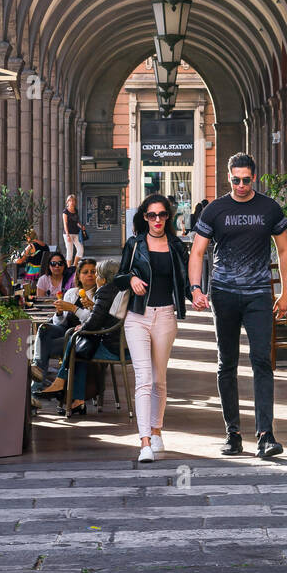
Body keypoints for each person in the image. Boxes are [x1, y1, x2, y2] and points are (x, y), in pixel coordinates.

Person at [188, 153, 287, 459]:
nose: (242, 185)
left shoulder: (269, 207)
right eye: (236, 180)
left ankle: (266, 435)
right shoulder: (216, 209)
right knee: (227, 362)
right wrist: (196, 288)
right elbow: (197, 252)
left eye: (247, 180)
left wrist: (285, 292)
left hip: (259, 293)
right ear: (228, 178)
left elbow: (284, 250)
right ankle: (232, 433)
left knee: (262, 361)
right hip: (224, 294)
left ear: (254, 178)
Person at [117, 191, 192, 464]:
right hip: (137, 317)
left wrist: (196, 295)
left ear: (168, 216)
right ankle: (145, 441)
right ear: (144, 217)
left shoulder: (176, 246)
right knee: (144, 378)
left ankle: (157, 429)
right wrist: (132, 279)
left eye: (162, 214)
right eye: (151, 215)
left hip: (166, 316)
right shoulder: (134, 244)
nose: (157, 219)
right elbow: (119, 278)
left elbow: (183, 282)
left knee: (159, 379)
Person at [36, 258, 125, 416]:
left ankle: (59, 383)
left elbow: (94, 323)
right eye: (86, 272)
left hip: (108, 344)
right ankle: (73, 397)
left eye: (95, 273)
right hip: (109, 339)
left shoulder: (103, 291)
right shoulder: (115, 290)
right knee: (74, 340)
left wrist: (79, 320)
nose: (92, 276)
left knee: (78, 345)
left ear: (103, 278)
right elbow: (103, 317)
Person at [30, 257, 96, 388]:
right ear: (78, 275)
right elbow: (60, 322)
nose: (89, 275)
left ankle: (37, 382)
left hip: (81, 336)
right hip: (65, 330)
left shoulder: (98, 294)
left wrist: (73, 308)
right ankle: (38, 373)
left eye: (93, 271)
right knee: (44, 328)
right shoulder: (72, 293)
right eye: (85, 272)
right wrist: (59, 312)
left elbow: (92, 320)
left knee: (44, 346)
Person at [62, 194, 87, 265]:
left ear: (75, 202)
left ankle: (74, 265)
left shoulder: (76, 210)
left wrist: (81, 226)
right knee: (70, 251)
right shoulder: (65, 211)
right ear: (67, 202)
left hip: (76, 233)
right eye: (70, 201)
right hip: (68, 233)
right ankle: (69, 268)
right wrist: (67, 235)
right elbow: (65, 224)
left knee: (80, 250)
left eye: (73, 200)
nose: (72, 202)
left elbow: (77, 222)